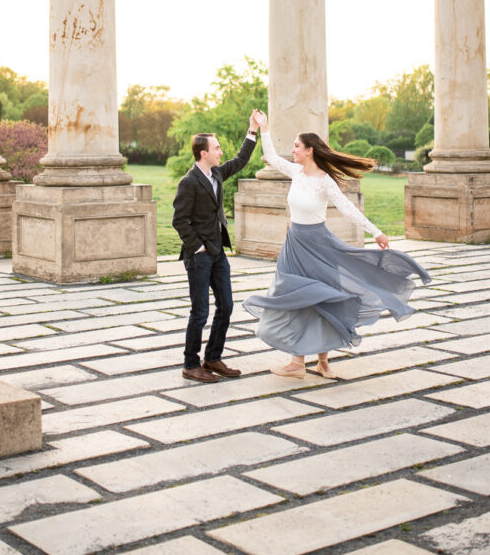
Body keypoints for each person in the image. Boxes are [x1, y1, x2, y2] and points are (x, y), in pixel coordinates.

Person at [244, 110, 431, 379]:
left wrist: (376, 232)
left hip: (319, 246)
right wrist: (263, 127)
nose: (293, 150)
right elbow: (271, 157)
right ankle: (297, 362)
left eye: (297, 146)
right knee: (297, 299)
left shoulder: (325, 182)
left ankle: (322, 361)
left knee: (325, 299)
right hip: (294, 246)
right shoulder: (295, 172)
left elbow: (348, 210)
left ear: (309, 150)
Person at [172, 114, 259, 382]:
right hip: (199, 256)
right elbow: (179, 220)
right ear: (203, 153)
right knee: (200, 312)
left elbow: (241, 160)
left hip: (218, 252)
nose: (221, 151)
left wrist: (252, 130)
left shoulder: (217, 173)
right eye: (217, 148)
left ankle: (212, 357)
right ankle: (190, 364)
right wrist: (196, 247)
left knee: (227, 305)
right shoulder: (189, 182)